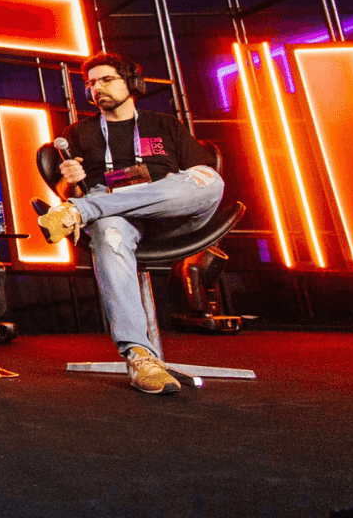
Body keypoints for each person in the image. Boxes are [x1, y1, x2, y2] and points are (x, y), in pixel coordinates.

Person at [33, 51, 225, 396]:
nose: (97, 88)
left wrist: (85, 203)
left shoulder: (165, 124)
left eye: (107, 79)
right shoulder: (79, 132)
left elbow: (199, 174)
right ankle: (139, 357)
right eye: (91, 83)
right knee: (108, 231)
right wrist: (69, 182)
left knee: (209, 180)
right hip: (118, 219)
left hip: (172, 215)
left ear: (132, 83)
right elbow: (68, 189)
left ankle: (81, 210)